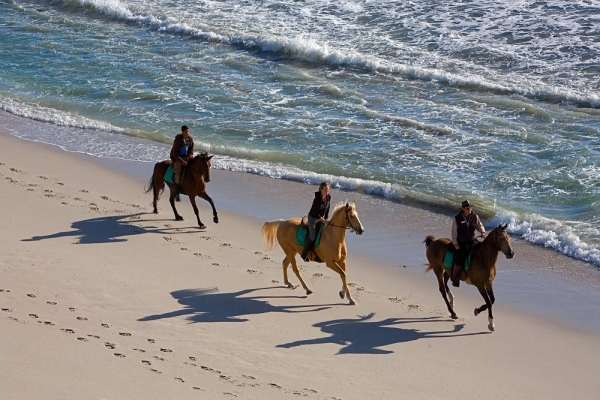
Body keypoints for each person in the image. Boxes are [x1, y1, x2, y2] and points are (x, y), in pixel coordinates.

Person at [451, 200, 486, 287]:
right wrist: (455, 243)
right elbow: (453, 232)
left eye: (470, 207)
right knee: (459, 259)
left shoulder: (475, 216)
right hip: (461, 243)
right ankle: (454, 278)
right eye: (467, 208)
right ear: (463, 209)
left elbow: (479, 225)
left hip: (472, 241)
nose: (470, 209)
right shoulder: (457, 219)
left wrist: (482, 232)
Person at [301, 182, 331, 262]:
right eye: (325, 190)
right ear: (321, 189)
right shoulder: (317, 199)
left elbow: (327, 208)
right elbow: (315, 212)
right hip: (313, 218)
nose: (327, 192)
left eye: (328, 190)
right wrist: (323, 220)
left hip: (321, 218)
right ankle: (304, 254)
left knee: (322, 235)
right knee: (313, 236)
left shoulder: (328, 197)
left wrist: (326, 218)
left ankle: (318, 253)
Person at [170, 125, 194, 199]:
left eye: (188, 131)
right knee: (178, 172)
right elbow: (175, 153)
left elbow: (191, 149)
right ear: (182, 132)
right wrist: (181, 161)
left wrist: (189, 156)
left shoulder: (190, 138)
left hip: (186, 157)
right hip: (177, 158)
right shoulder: (178, 139)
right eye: (186, 131)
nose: (188, 133)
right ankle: (177, 193)